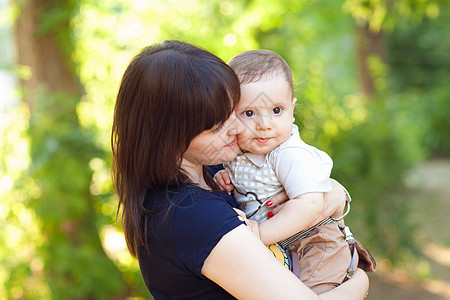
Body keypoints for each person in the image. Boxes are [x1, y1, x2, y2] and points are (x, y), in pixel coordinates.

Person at [112, 40, 369, 299]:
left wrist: (333, 193)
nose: (236, 128)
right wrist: (359, 281)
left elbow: (322, 195)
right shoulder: (193, 216)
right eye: (216, 126)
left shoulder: (213, 171)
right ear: (171, 136)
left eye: (232, 112)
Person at [214, 49, 374, 293]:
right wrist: (223, 177)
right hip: (283, 245)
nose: (264, 124)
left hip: (315, 243)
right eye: (249, 113)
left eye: (276, 110)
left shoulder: (289, 154)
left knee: (312, 292)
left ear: (292, 107)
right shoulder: (238, 153)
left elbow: (310, 205)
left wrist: (259, 233)